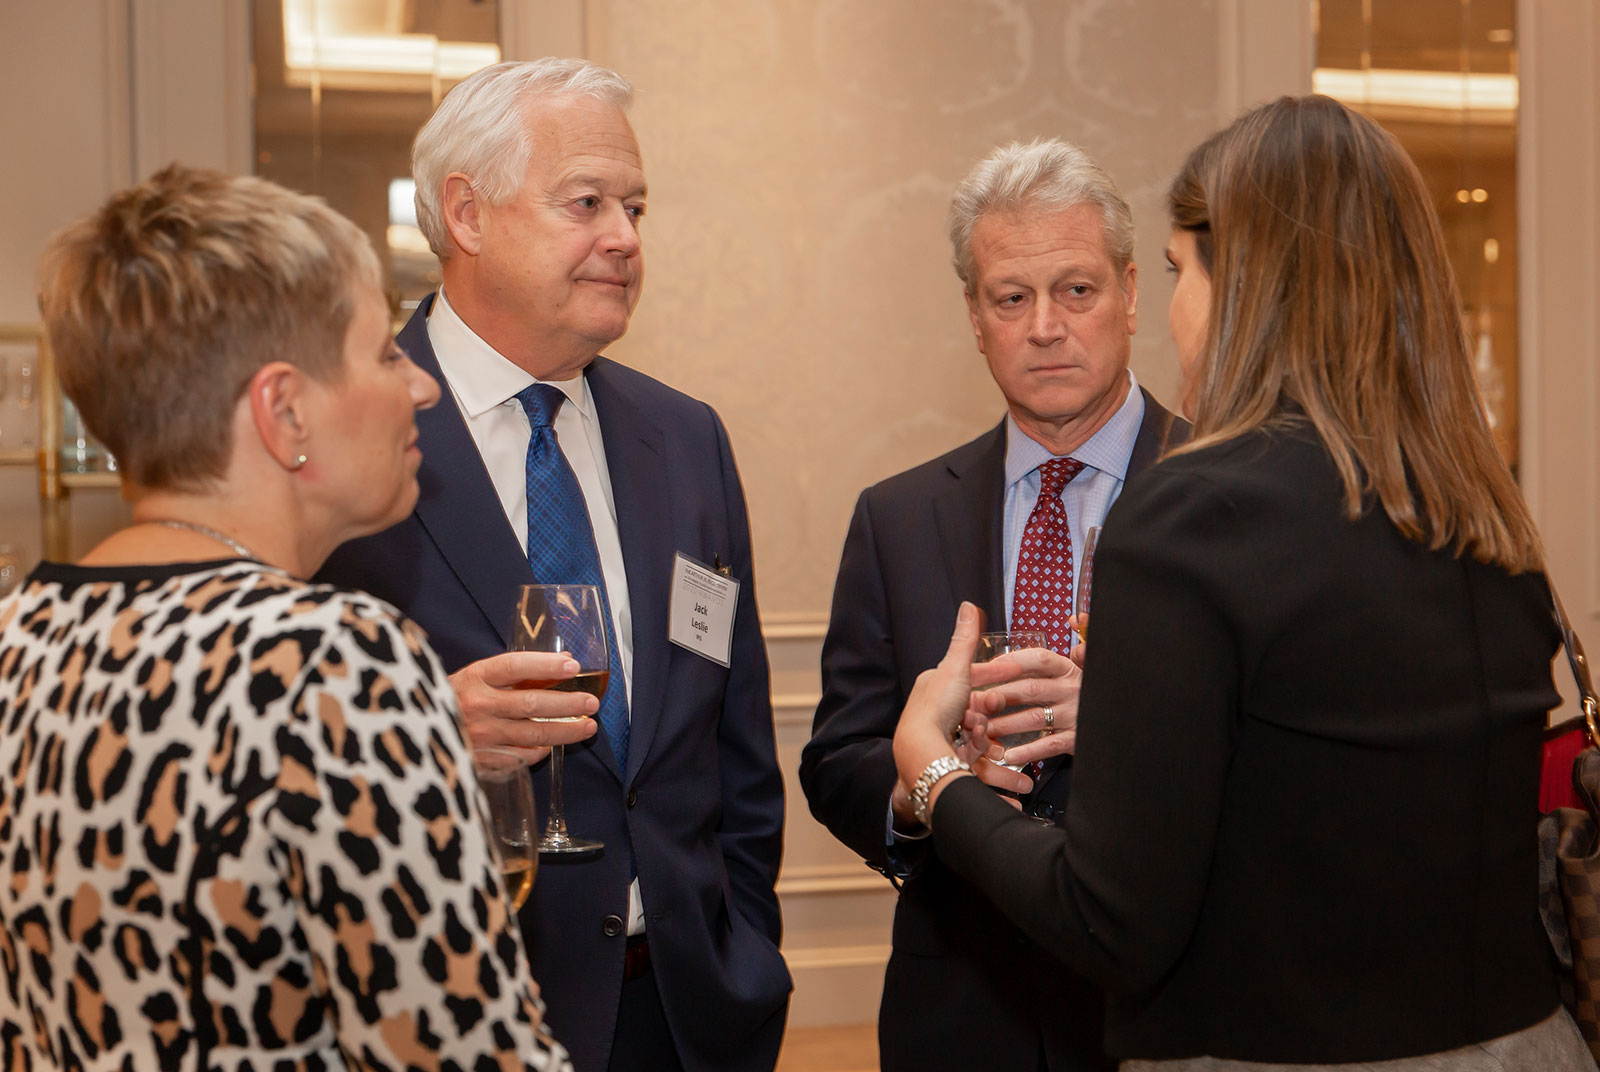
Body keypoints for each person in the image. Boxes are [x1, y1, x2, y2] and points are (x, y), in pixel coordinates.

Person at [891, 95, 1594, 1070]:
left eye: (1180, 272)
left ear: (1246, 285)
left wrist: (933, 771)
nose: (1174, 309)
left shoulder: (1192, 515)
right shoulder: (1480, 512)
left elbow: (1109, 924)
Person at [0, 166, 573, 1069]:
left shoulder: (21, 635)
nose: (420, 388)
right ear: (283, 410)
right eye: (384, 353)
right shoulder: (336, 663)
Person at [317, 59, 790, 1072]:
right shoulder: (350, 434)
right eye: (586, 203)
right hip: (446, 1020)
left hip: (686, 1014)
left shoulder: (685, 435)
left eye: (634, 206)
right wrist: (428, 726)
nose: (624, 237)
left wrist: (744, 950)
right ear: (467, 212)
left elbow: (736, 747)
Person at [799, 138, 1187, 1071]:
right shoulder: (896, 518)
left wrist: (1127, 723)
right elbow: (834, 759)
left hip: (1167, 1001)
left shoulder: (1222, 487)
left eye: (1078, 290)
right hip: (961, 1006)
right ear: (976, 316)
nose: (1045, 326)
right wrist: (922, 780)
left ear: (1133, 292)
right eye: (1012, 297)